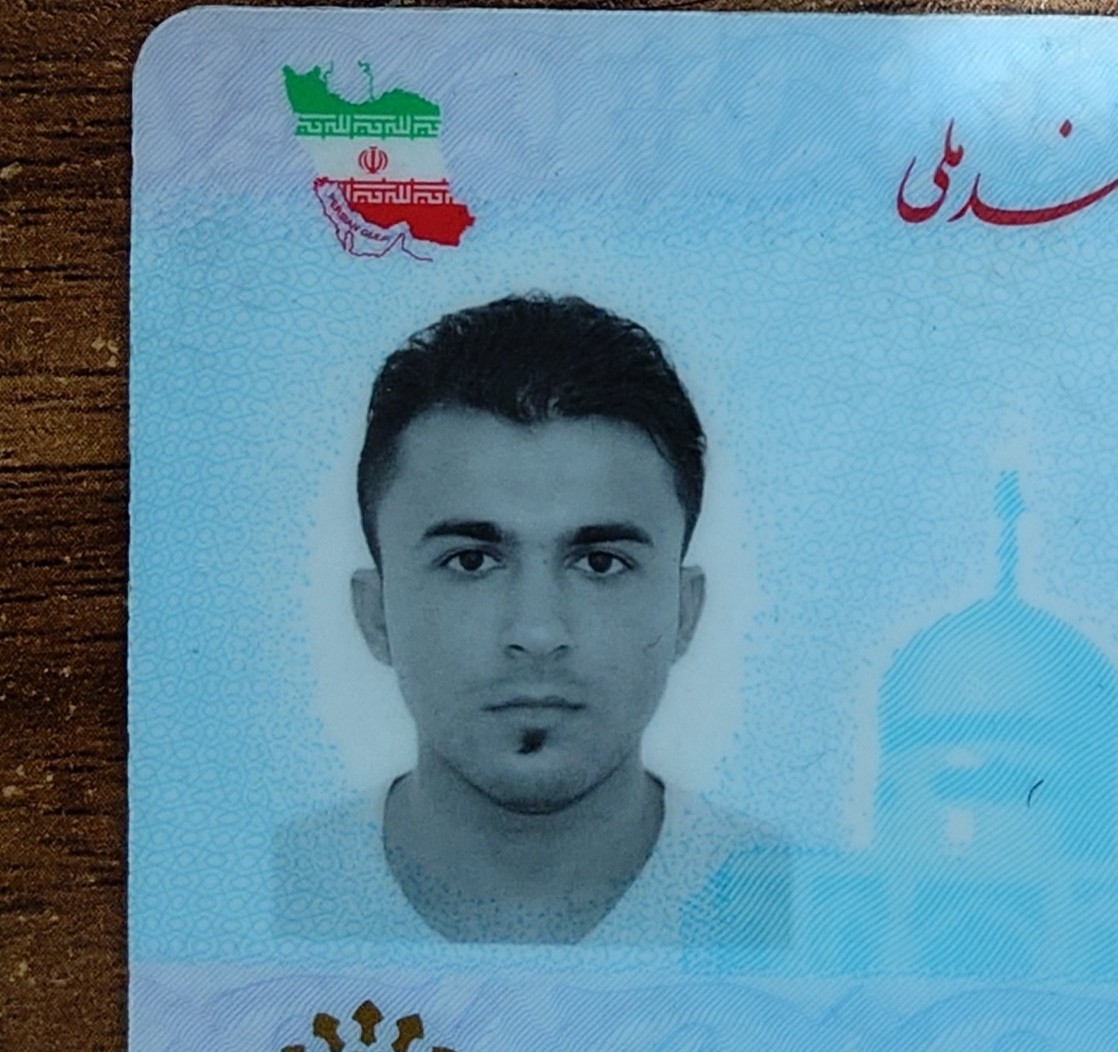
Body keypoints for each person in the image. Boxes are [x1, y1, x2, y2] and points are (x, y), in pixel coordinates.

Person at [275, 294, 783, 944]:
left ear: (685, 612)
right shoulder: (250, 898)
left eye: (600, 563)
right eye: (471, 562)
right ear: (375, 614)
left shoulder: (798, 911)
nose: (537, 633)